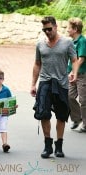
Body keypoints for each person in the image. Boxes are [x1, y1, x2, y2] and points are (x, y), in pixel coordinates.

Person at [30, 16, 79, 158]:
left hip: (62, 83)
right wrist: (33, 84)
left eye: (49, 29)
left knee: (61, 116)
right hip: (45, 82)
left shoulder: (67, 42)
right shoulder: (40, 44)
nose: (47, 32)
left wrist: (74, 73)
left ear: (56, 27)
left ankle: (59, 146)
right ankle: (47, 145)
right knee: (43, 114)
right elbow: (37, 64)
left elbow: (74, 60)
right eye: (44, 30)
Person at [67, 17, 86, 132]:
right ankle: (77, 119)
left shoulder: (82, 41)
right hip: (71, 74)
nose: (67, 30)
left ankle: (85, 124)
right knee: (69, 96)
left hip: (81, 75)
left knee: (84, 101)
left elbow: (81, 59)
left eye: (69, 28)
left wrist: (74, 72)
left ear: (75, 29)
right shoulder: (71, 41)